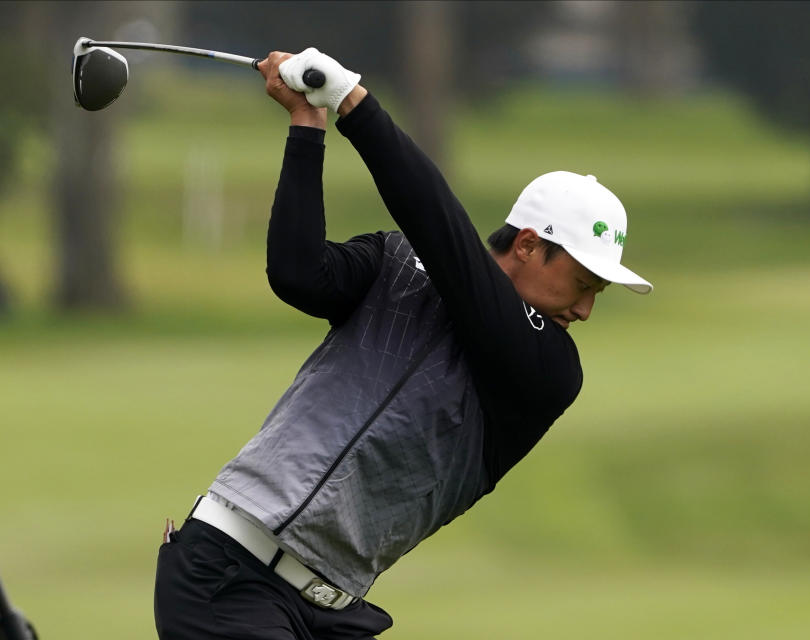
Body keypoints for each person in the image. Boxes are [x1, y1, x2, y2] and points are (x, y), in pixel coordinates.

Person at [154, 47, 652, 640]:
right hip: (230, 575)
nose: (587, 309)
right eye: (582, 282)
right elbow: (297, 273)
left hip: (333, 611)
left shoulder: (548, 371)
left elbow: (446, 241)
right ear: (525, 245)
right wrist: (307, 125)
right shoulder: (395, 260)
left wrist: (354, 102)